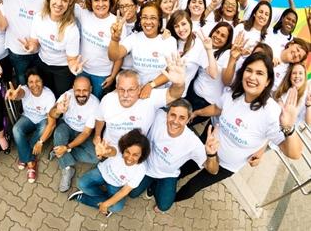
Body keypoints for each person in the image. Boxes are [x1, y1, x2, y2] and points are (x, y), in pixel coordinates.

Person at [175, 53, 303, 202]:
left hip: (227, 165)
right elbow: (217, 108)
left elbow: (294, 154)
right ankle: (165, 187)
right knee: (184, 168)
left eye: (260, 73)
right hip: (208, 149)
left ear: (268, 81)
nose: (252, 77)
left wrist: (289, 128)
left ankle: (171, 200)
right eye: (249, 70)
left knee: (192, 187)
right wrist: (196, 112)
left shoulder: (272, 113)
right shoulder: (233, 94)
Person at [128, 99, 220, 213]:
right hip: (146, 167)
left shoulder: (194, 143)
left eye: (182, 117)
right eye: (173, 115)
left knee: (163, 206)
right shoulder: (158, 116)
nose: (175, 121)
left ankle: (156, 185)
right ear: (167, 114)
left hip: (167, 174)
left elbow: (213, 171)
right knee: (132, 193)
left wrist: (212, 154)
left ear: (188, 119)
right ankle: (151, 183)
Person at [94, 62, 185, 148]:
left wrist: (179, 84)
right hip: (109, 146)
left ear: (139, 88)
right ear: (116, 87)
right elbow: (100, 119)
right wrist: (97, 135)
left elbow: (173, 95)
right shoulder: (107, 100)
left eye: (131, 90)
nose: (125, 95)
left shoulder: (149, 99)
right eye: (121, 89)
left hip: (135, 152)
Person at [68, 129, 150, 217]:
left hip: (115, 185)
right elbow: (111, 151)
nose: (129, 158)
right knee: (82, 183)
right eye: (127, 152)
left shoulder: (141, 169)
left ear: (142, 155)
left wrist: (105, 204)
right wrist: (105, 152)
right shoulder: (119, 148)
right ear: (124, 148)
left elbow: (124, 191)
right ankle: (105, 200)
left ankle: (84, 198)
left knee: (118, 207)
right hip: (102, 172)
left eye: (135, 155)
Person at [21, 0, 82, 98]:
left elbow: (71, 59)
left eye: (64, 0)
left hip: (62, 70)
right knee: (45, 93)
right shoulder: (39, 18)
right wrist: (31, 47)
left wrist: (75, 67)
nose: (59, 3)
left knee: (60, 97)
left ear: (69, 4)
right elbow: (35, 42)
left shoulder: (71, 29)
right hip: (42, 63)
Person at [49, 76, 101, 192]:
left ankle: (59, 151)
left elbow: (87, 132)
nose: (81, 94)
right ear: (73, 89)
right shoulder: (66, 96)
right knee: (58, 133)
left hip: (81, 133)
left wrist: (67, 147)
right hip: (66, 127)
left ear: (91, 89)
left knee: (95, 158)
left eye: (85, 90)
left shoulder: (95, 104)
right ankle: (67, 168)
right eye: (78, 90)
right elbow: (51, 114)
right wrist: (58, 110)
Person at [108, 1, 176, 86]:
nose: (148, 22)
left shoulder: (170, 41)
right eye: (144, 17)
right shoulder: (134, 38)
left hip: (159, 90)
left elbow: (171, 71)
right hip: (136, 90)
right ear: (140, 19)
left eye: (153, 18)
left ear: (159, 21)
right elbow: (114, 56)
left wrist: (151, 85)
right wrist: (114, 38)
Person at [7, 68, 56, 183]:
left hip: (43, 119)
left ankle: (25, 158)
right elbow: (19, 94)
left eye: (37, 81)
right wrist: (15, 95)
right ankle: (31, 161)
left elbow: (52, 124)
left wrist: (40, 142)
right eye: (31, 82)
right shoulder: (25, 90)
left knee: (44, 128)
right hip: (27, 117)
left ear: (43, 81)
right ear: (27, 83)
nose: (34, 85)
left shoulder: (49, 96)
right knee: (16, 130)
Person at [76, 0, 121, 99]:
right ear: (91, 1)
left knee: (96, 102)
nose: (100, 4)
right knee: (81, 100)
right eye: (96, 0)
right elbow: (70, 1)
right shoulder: (84, 14)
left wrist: (112, 76)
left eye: (104, 0)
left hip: (102, 74)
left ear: (110, 1)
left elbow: (119, 56)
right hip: (82, 69)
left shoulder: (117, 23)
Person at [187, 22, 233, 125]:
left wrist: (208, 50)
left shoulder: (226, 54)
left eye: (223, 36)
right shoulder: (205, 46)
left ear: (227, 40)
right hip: (192, 92)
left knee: (185, 124)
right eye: (217, 32)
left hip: (205, 103)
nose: (218, 36)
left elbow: (214, 74)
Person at [164, 10, 218, 95]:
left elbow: (214, 74)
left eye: (183, 24)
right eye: (176, 26)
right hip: (160, 90)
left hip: (177, 96)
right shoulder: (171, 40)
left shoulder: (198, 46)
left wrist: (209, 50)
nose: (181, 29)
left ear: (190, 23)